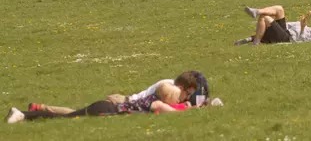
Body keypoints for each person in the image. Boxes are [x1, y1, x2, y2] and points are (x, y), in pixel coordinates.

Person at [25, 71, 214, 116]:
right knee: (76, 114)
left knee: (77, 114)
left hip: (125, 102)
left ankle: (39, 108)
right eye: (188, 92)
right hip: (123, 102)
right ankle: (40, 110)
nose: (187, 96)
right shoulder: (168, 88)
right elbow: (170, 108)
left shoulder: (170, 85)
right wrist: (192, 108)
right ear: (181, 87)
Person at [6, 82, 190, 123]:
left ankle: (26, 114)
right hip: (106, 109)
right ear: (167, 98)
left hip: (105, 106)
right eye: (176, 98)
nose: (178, 100)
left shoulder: (152, 99)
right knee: (66, 118)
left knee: (69, 116)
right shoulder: (157, 103)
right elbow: (171, 112)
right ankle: (23, 115)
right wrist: (188, 109)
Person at [234, 5, 311, 45]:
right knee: (279, 9)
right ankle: (256, 11)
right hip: (286, 31)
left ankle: (255, 43)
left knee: (265, 18)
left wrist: (303, 27)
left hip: (287, 38)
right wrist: (283, 25)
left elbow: (300, 40)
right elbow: (294, 26)